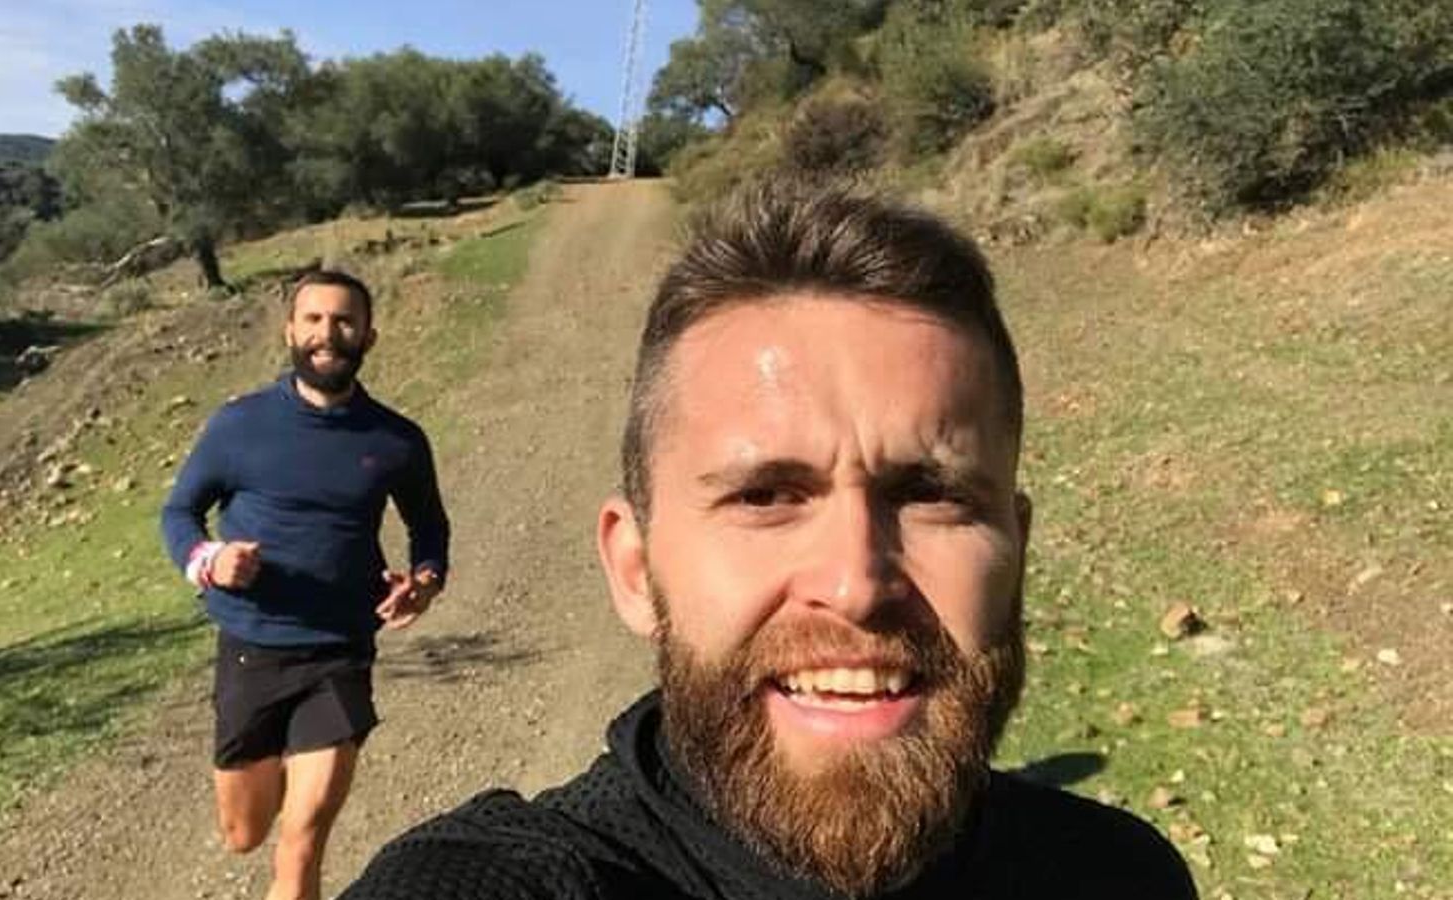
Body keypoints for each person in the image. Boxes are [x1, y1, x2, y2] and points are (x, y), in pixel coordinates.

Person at [340, 182, 1196, 900]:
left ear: (1017, 550)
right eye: (764, 496)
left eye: (931, 495)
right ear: (635, 569)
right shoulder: (497, 883)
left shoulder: (1120, 877)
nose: (857, 582)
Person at [161, 269, 451, 900]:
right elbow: (177, 513)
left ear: (368, 335)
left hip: (339, 652)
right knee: (245, 831)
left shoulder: (396, 440)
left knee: (302, 840)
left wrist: (424, 582)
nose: (328, 333)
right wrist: (209, 560)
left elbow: (429, 529)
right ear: (291, 331)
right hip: (252, 646)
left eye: (344, 320)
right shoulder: (240, 425)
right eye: (314, 319)